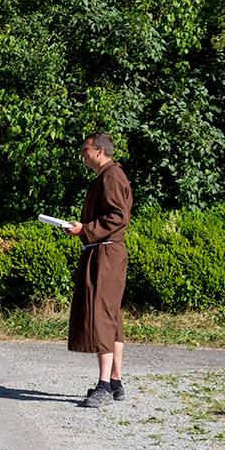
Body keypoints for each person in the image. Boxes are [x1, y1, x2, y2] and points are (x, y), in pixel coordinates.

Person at [62, 132, 133, 409]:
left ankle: (104, 385)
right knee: (110, 315)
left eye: (86, 149)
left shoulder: (111, 176)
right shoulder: (108, 176)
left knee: (102, 315)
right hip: (105, 252)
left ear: (100, 151)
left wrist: (86, 229)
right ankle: (115, 381)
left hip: (106, 254)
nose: (83, 154)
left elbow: (118, 216)